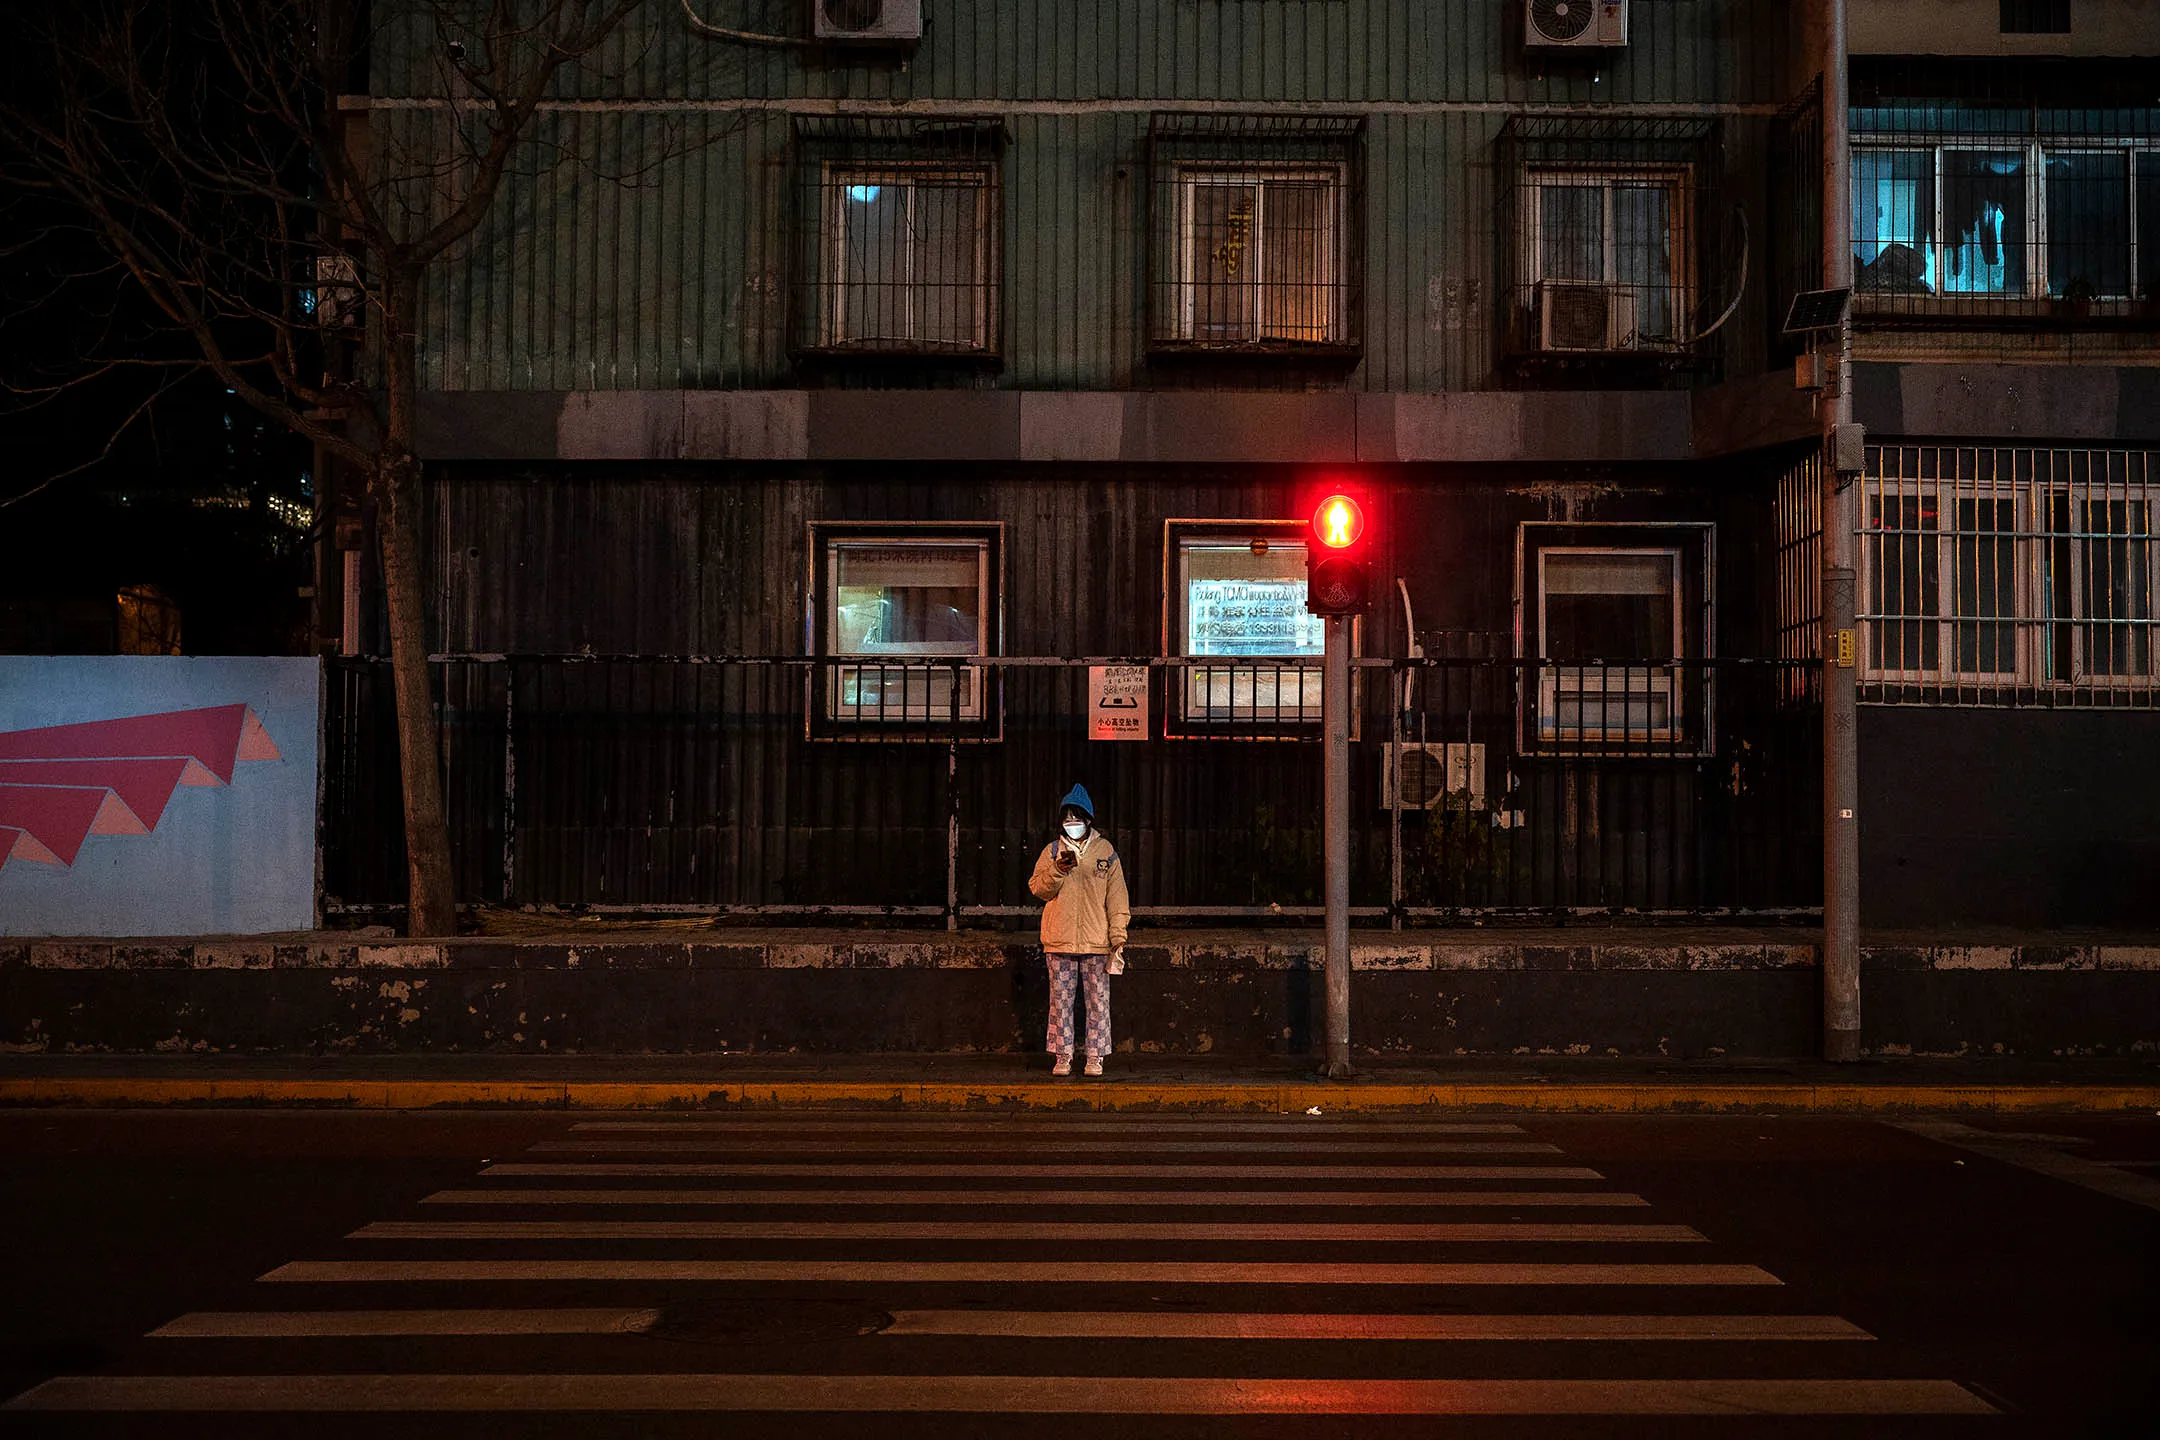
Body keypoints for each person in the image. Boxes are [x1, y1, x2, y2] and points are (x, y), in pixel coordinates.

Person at [1027, 782, 1129, 1077]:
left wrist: (1118, 935)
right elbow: (1038, 888)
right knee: (1060, 1003)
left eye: (1077, 818)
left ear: (1088, 820)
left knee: (1098, 1002)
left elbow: (1117, 897)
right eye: (1067, 819)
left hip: (1096, 942)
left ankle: (1095, 1057)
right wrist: (1058, 870)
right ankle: (1063, 1055)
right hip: (1059, 941)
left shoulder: (1105, 851)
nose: (1072, 824)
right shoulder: (1053, 851)